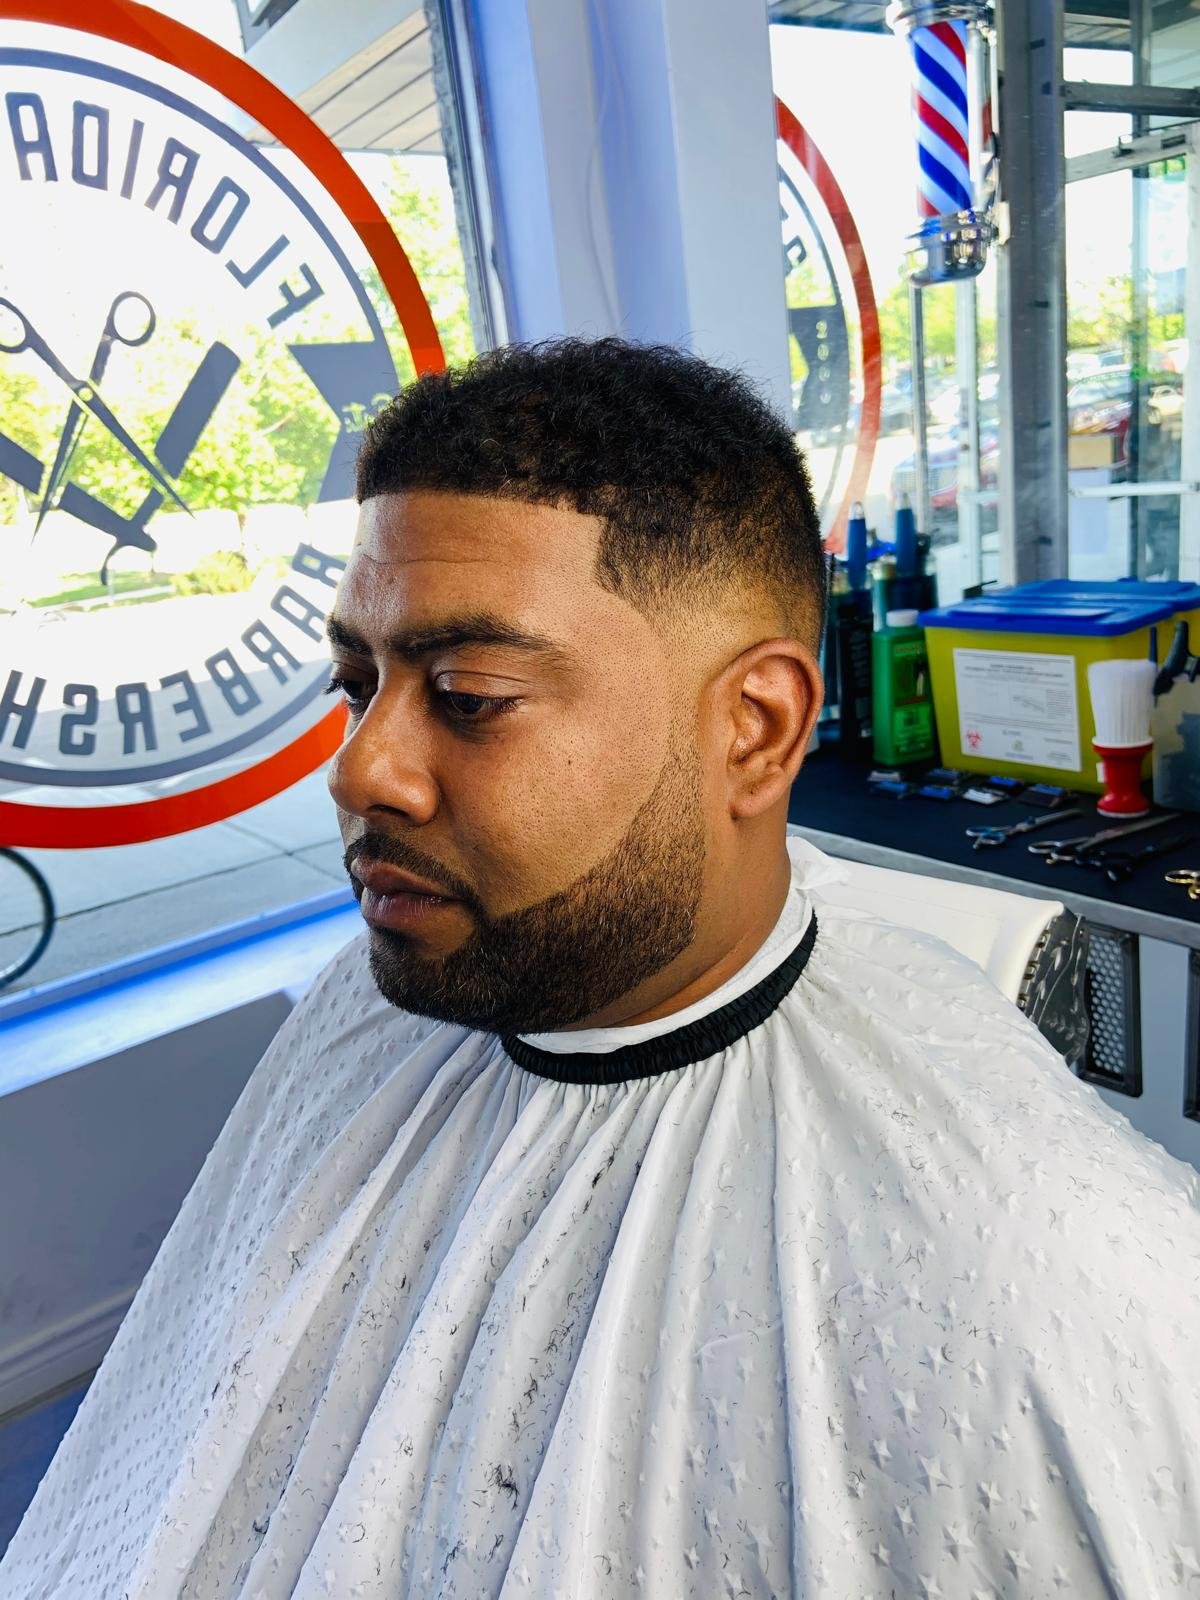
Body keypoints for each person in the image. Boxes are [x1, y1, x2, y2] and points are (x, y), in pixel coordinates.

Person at [4, 338, 1198, 1600]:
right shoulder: (369, 1004)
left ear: (755, 729)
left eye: (466, 692)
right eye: (358, 683)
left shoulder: (1061, 1280)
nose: (361, 770)